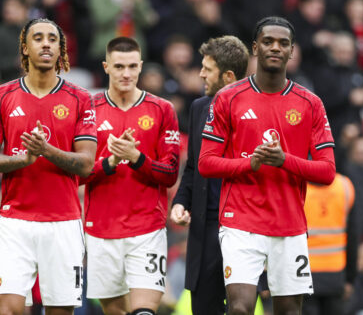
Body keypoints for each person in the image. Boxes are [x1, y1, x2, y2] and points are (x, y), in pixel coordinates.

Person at [198, 16, 336, 315]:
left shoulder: (310, 103)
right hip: (240, 223)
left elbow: (327, 172)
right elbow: (206, 164)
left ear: (292, 51)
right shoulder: (227, 98)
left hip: (289, 224)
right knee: (240, 308)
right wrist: (251, 163)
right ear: (255, 48)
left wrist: (284, 160)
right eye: (268, 41)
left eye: (283, 43)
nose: (275, 47)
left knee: (288, 311)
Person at [0, 18, 97, 315]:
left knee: (60, 310)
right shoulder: (1, 96)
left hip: (64, 222)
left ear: (61, 49)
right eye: (38, 38)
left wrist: (46, 150)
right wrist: (23, 159)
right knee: (8, 308)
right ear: (25, 48)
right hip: (16, 221)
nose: (46, 43)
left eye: (53, 39)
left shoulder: (81, 99)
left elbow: (86, 164)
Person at [81, 37, 180, 315]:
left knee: (143, 312)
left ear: (141, 67)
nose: (126, 73)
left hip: (147, 227)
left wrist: (136, 158)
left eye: (132, 66)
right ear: (106, 67)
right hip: (101, 228)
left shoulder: (162, 109)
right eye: (119, 66)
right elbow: (76, 174)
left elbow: (170, 173)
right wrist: (110, 162)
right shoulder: (87, 109)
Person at [170, 35, 250, 314]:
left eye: (207, 68)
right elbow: (192, 167)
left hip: (245, 229)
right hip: (206, 230)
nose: (200, 73)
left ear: (228, 76)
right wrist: (181, 201)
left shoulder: (257, 110)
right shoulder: (199, 108)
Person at [302, 173, 356, 315]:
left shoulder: (298, 187)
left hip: (303, 272)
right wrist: (350, 278)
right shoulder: (344, 186)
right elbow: (353, 235)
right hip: (336, 272)